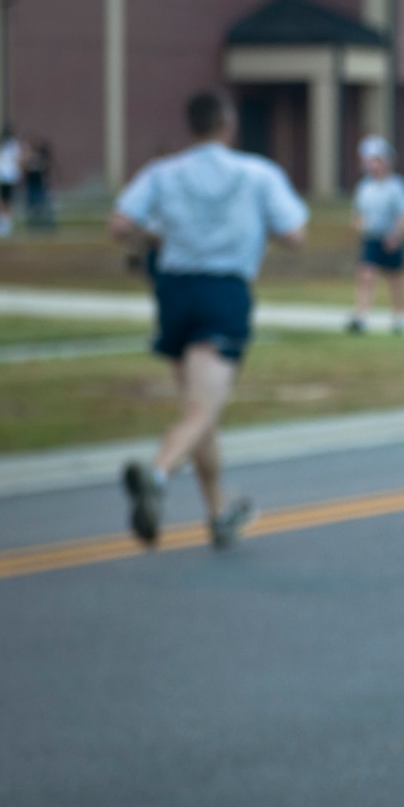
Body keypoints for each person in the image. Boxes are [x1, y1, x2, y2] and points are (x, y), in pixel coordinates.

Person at [109, 91, 308, 549]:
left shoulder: (164, 172)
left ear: (192, 125)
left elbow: (120, 225)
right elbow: (295, 234)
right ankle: (157, 476)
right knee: (203, 411)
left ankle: (218, 513)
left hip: (175, 291)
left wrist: (160, 235)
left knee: (200, 412)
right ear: (228, 124)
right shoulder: (256, 173)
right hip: (224, 291)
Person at [348, 136, 404, 335]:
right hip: (372, 238)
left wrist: (396, 235)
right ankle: (361, 317)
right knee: (366, 275)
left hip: (392, 238)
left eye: (377, 160)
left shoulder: (397, 186)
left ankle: (399, 318)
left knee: (395, 278)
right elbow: (358, 213)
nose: (373, 165)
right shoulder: (365, 187)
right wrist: (359, 225)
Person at [0, 128, 23, 237]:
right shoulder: (12, 145)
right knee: (7, 201)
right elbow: (18, 160)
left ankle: (3, 224)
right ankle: (5, 224)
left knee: (3, 200)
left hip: (2, 176)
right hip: (8, 176)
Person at [22, 139, 55, 231]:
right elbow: (25, 167)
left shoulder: (42, 156)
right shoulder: (28, 156)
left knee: (43, 206)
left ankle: (46, 226)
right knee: (31, 207)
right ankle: (33, 225)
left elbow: (45, 167)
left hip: (40, 185)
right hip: (31, 185)